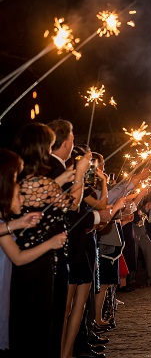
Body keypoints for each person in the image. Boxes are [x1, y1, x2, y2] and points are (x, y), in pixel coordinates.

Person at [0, 148, 66, 355]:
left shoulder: (5, 223)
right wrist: (17, 223)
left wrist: (50, 243)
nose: (18, 185)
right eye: (14, 178)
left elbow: (18, 258)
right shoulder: (6, 224)